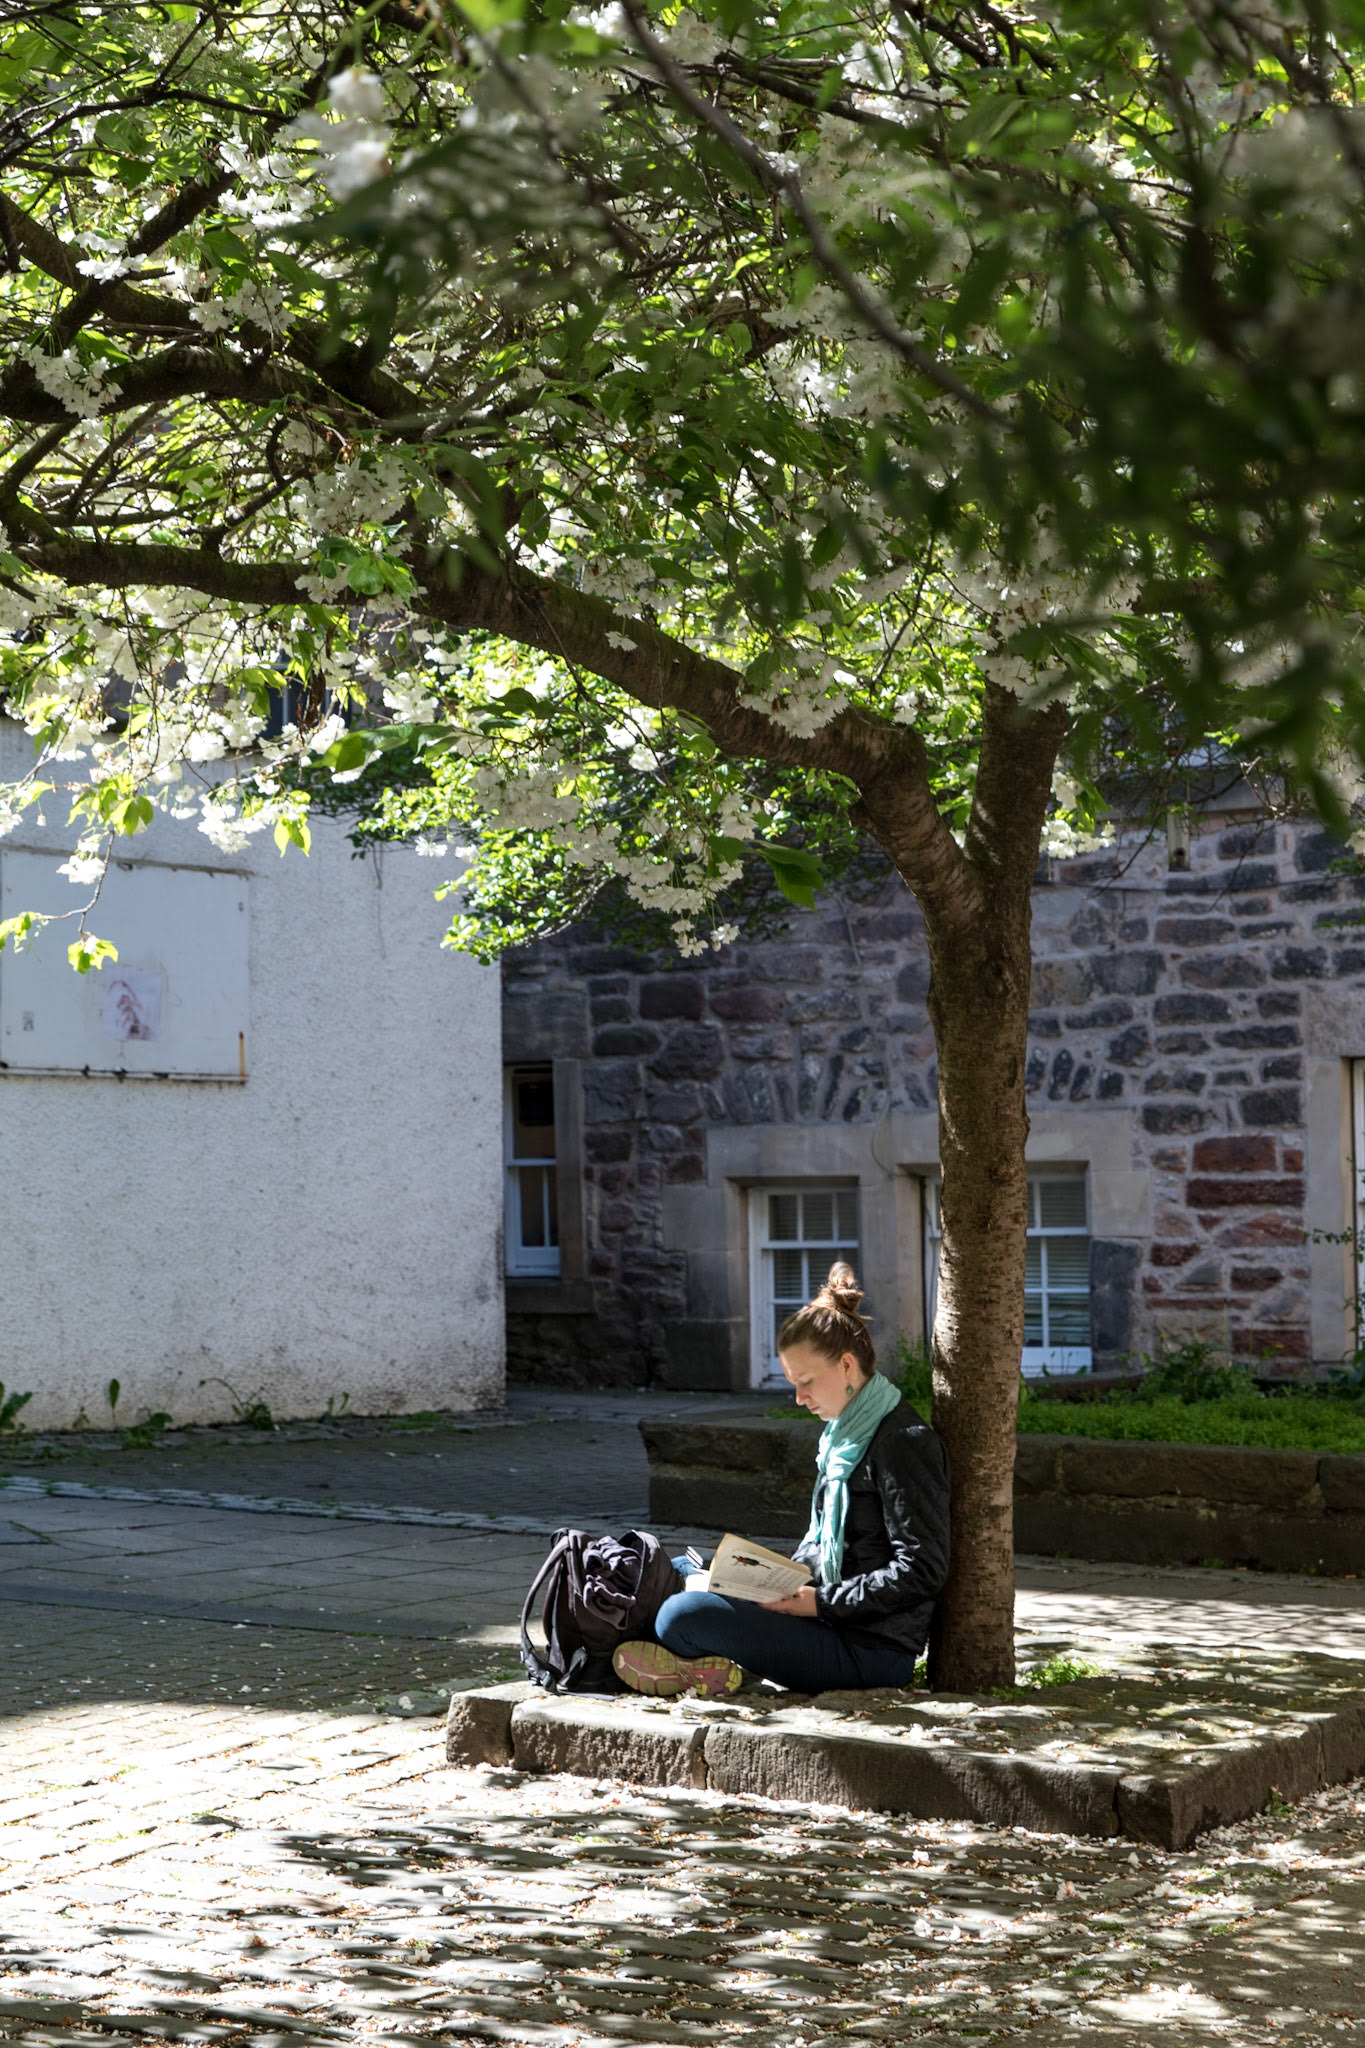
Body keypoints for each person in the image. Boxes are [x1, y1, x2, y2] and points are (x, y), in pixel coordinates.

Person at [613, 1262, 951, 1698]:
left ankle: (699, 1661)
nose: (799, 1398)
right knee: (672, 1571)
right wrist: (763, 1578)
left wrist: (818, 1602)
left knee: (681, 1613)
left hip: (868, 1649)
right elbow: (826, 1552)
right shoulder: (842, 1437)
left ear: (847, 1366)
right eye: (793, 1384)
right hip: (820, 1613)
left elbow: (922, 1570)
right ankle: (701, 1662)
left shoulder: (904, 1442)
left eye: (806, 1382)